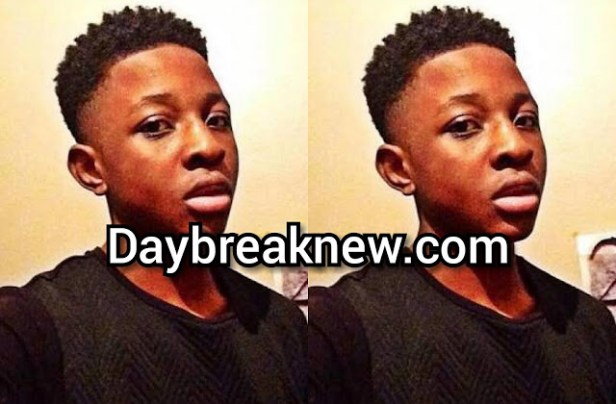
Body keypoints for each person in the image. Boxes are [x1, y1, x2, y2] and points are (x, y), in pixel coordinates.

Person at [309, 6, 616, 403]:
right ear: (398, 169)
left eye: (524, 120)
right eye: (464, 126)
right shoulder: (338, 332)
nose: (515, 146)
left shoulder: (588, 324)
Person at [0, 6, 305, 403]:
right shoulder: (26, 335)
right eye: (156, 126)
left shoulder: (282, 324)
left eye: (216, 120)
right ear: (90, 169)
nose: (208, 146)